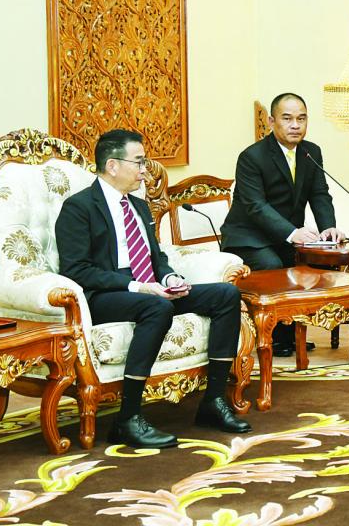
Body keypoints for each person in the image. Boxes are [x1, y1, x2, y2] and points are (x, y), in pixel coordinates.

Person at [55, 129, 251, 449]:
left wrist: (170, 278)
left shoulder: (138, 205)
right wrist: (136, 286)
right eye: (139, 162)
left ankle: (213, 402)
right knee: (157, 307)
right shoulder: (79, 207)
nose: (145, 170)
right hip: (105, 295)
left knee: (225, 295)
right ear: (113, 165)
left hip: (150, 288)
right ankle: (128, 418)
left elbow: (155, 256)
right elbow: (76, 270)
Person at [220, 92, 345, 355]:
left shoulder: (311, 152)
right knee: (274, 265)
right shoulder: (252, 157)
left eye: (301, 119)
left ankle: (294, 333)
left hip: (286, 237)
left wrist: (328, 228)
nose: (295, 125)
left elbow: (319, 194)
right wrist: (292, 232)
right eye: (287, 119)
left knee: (318, 260)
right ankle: (273, 337)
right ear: (271, 121)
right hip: (248, 237)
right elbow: (256, 206)